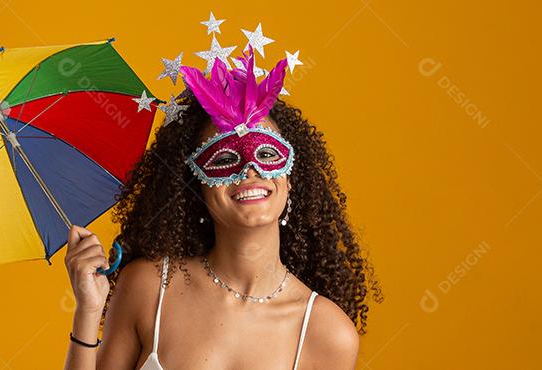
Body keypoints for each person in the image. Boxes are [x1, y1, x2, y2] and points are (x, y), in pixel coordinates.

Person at [63, 48, 382, 370]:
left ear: (292, 178)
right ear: (193, 185)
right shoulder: (147, 288)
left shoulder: (327, 332)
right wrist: (88, 311)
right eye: (225, 159)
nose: (250, 170)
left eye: (268, 154)